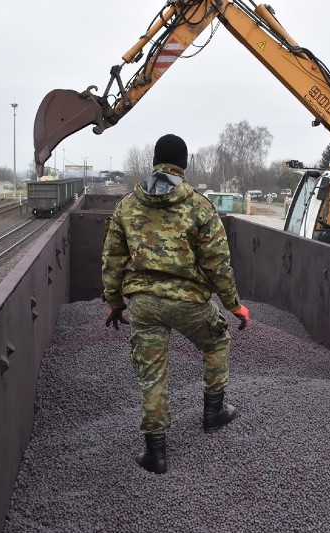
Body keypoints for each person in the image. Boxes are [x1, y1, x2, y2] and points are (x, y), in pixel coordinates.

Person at [101, 133, 250, 474]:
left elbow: (111, 260)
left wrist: (114, 303)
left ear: (154, 161)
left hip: (144, 304)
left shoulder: (127, 205)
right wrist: (233, 305)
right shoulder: (199, 205)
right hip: (189, 302)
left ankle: (156, 454)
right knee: (216, 341)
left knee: (152, 375)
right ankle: (213, 412)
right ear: (183, 165)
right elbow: (218, 263)